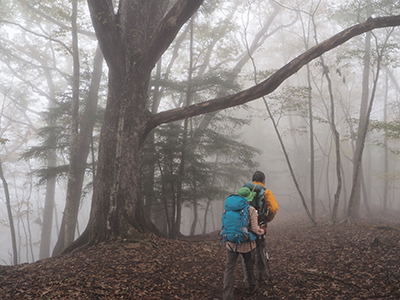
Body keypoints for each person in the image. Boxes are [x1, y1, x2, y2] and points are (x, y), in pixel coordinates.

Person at [222, 187, 266, 299]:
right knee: (249, 266)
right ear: (248, 198)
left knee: (229, 269)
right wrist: (263, 231)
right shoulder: (250, 209)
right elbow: (255, 229)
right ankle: (251, 286)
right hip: (247, 244)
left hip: (231, 243)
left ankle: (227, 295)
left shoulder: (228, 207)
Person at [243, 170, 278, 283]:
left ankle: (248, 278)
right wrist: (267, 218)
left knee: (247, 251)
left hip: (246, 226)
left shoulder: (245, 191)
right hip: (260, 225)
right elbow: (273, 208)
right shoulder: (265, 191)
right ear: (263, 180)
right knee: (260, 249)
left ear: (253, 180)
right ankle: (261, 275)